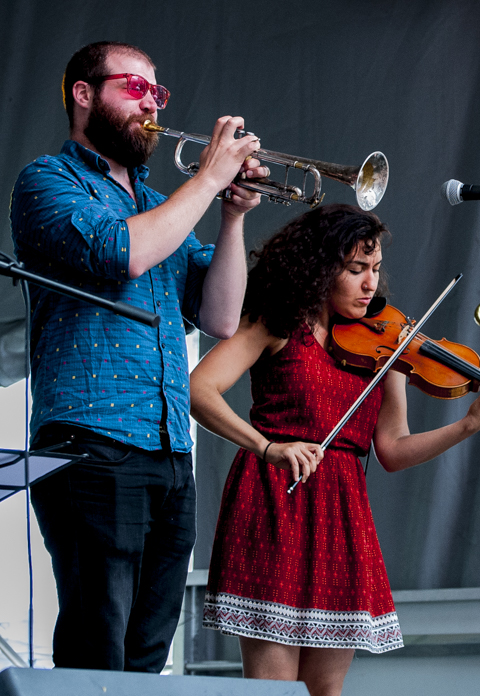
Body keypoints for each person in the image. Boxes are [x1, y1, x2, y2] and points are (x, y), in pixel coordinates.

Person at [9, 40, 267, 671]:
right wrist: (208, 179)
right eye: (134, 88)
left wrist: (232, 215)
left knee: (149, 650)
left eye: (158, 92)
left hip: (169, 449)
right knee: (99, 641)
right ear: (83, 94)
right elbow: (119, 253)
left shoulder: (162, 206)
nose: (150, 103)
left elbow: (220, 316)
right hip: (90, 441)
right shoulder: (47, 180)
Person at [190, 204, 480, 696]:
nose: (370, 284)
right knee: (271, 691)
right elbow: (199, 389)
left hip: (342, 511)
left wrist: (471, 422)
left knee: (327, 693)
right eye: (356, 269)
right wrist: (266, 446)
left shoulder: (385, 348)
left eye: (376, 270)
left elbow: (393, 449)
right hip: (276, 498)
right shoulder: (276, 323)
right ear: (321, 268)